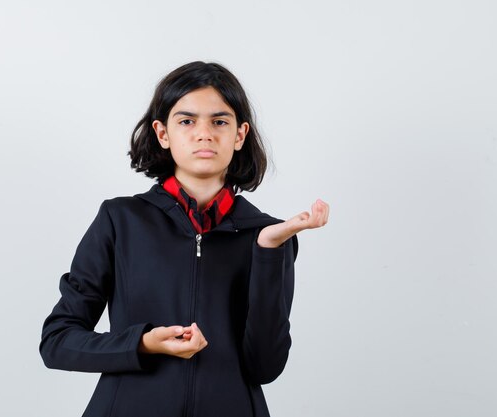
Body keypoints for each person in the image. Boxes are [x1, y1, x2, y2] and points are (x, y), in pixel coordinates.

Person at [39, 61, 329, 417]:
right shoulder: (120, 220)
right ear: (163, 133)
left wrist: (268, 252)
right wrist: (142, 344)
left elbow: (265, 367)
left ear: (239, 135)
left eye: (220, 121)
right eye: (187, 121)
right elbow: (57, 343)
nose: (204, 133)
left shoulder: (269, 236)